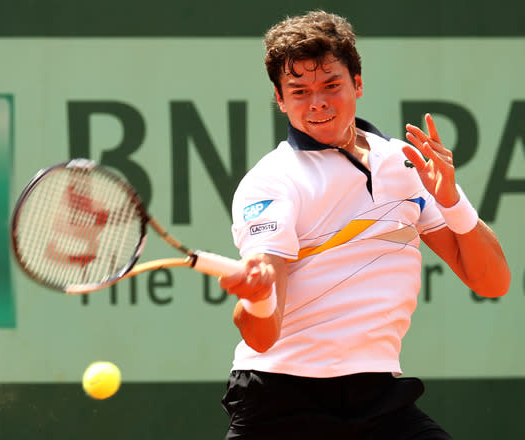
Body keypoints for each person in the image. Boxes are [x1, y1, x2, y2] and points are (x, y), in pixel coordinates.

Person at [219, 10, 510, 440]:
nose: (317, 102)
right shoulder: (272, 182)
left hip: (377, 396)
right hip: (280, 400)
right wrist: (257, 300)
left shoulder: (402, 162)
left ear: (357, 83)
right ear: (279, 99)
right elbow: (262, 337)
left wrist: (451, 200)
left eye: (331, 85)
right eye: (298, 91)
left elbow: (492, 282)